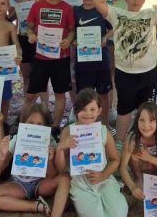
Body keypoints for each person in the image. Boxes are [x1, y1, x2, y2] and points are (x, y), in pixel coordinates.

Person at [94, 0, 157, 144]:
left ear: (144, 0)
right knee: (123, 111)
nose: (135, 0)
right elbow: (98, 1)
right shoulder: (117, 13)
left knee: (146, 112)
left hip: (148, 72)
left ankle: (143, 143)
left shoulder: (150, 15)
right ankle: (120, 143)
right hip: (125, 73)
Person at [0, 104, 71, 217]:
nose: (35, 127)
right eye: (31, 123)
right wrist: (2, 155)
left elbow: (53, 175)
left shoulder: (50, 141)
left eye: (40, 124)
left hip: (42, 184)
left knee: (65, 178)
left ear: (46, 126)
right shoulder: (17, 139)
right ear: (24, 124)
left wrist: (49, 161)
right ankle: (36, 206)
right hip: (19, 184)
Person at [55, 89, 128, 217]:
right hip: (80, 182)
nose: (88, 113)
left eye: (92, 109)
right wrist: (61, 148)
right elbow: (61, 169)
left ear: (99, 110)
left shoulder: (103, 131)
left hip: (103, 178)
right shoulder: (68, 131)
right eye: (83, 109)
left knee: (118, 212)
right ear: (76, 110)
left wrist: (103, 175)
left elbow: (115, 160)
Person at [25, 0, 75, 138]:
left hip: (61, 58)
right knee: (31, 94)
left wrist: (68, 39)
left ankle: (55, 127)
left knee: (60, 93)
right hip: (41, 57)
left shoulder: (67, 8)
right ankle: (24, 125)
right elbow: (29, 27)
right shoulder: (37, 6)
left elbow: (71, 30)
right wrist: (31, 35)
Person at [119, 102, 157, 201]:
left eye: (151, 120)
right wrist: (132, 187)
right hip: (141, 170)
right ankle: (138, 179)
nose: (146, 125)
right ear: (137, 121)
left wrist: (149, 158)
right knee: (134, 154)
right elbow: (122, 168)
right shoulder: (132, 139)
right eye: (142, 120)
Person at [73, 0, 113, 125]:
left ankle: (105, 123)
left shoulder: (102, 10)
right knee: (83, 96)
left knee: (103, 94)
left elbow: (114, 28)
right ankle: (84, 124)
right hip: (83, 63)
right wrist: (74, 41)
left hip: (101, 61)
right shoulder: (75, 11)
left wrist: (105, 37)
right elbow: (71, 32)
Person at [16, 0, 46, 104]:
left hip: (41, 41)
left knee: (41, 77)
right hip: (23, 40)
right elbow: (15, 22)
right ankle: (28, 108)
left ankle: (44, 110)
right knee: (26, 77)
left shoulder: (47, 1)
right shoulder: (21, 1)